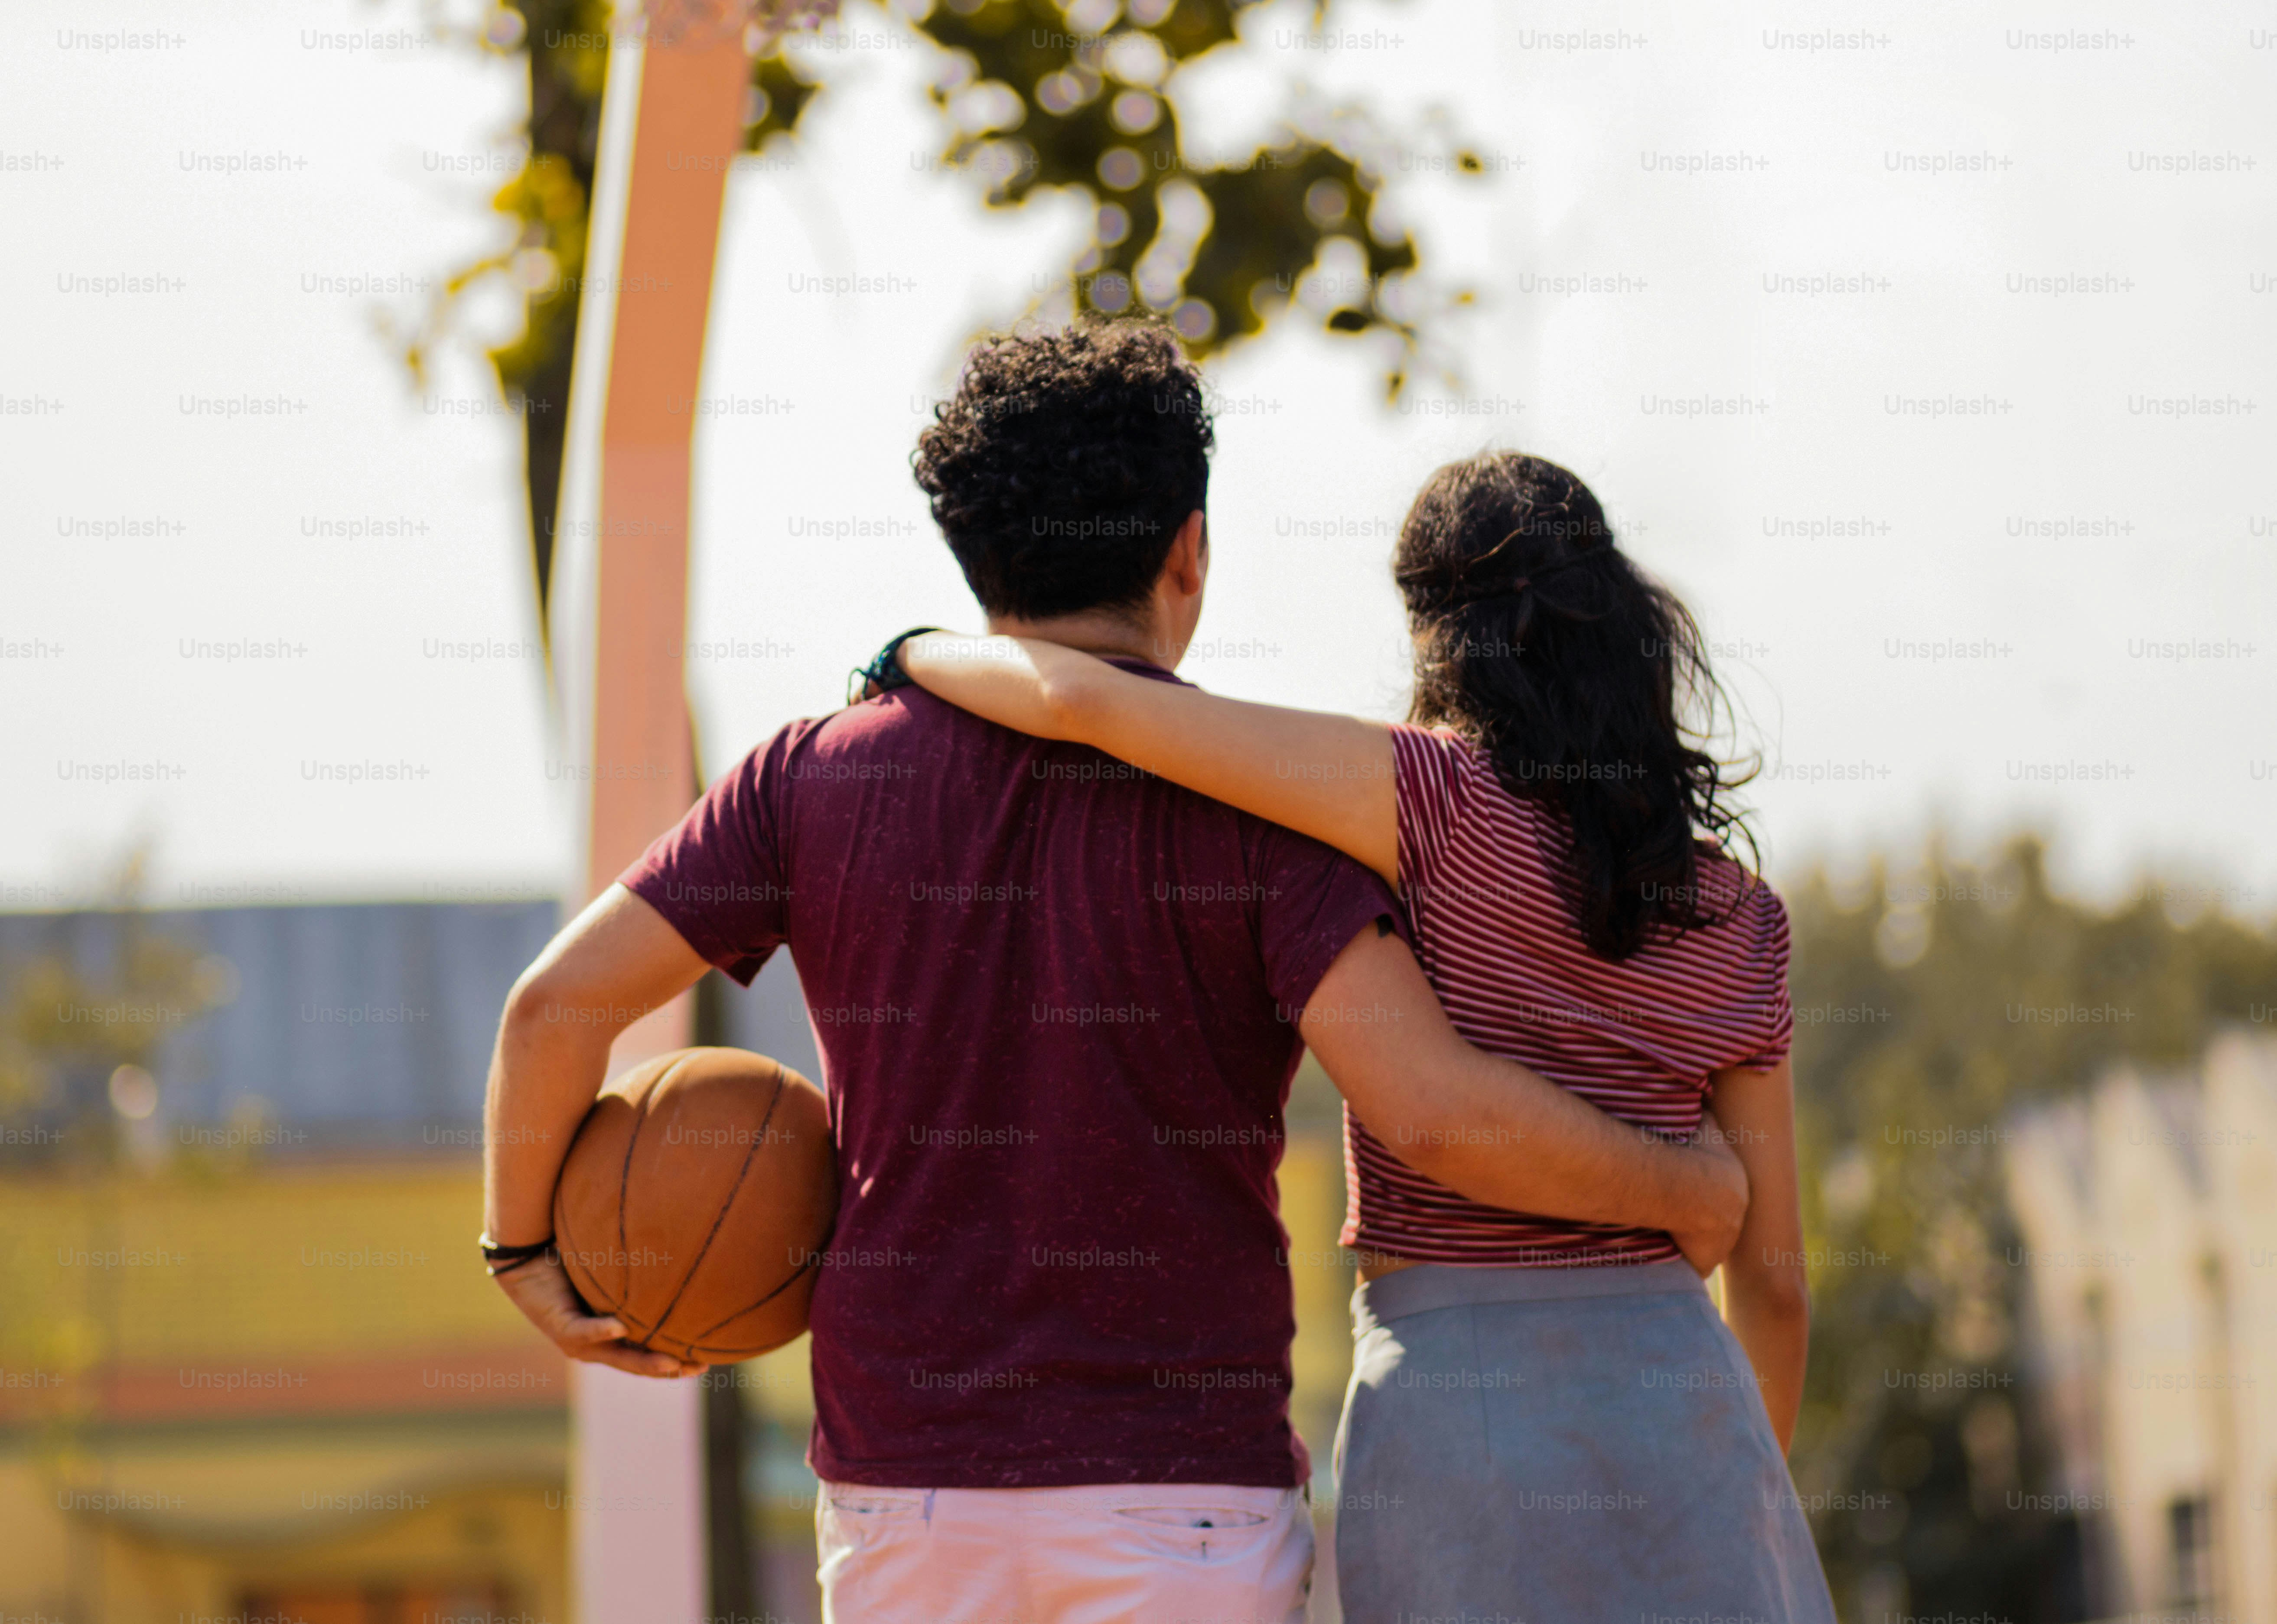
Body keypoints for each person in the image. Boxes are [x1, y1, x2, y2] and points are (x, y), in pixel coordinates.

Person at [481, 322, 1749, 1624]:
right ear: (1189, 552)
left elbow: (552, 1007)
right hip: (1184, 1505)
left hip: (903, 1501)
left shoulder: (803, 777)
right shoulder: (1269, 814)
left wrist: (522, 1245)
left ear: (970, 552)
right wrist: (1692, 1188)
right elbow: (1434, 1109)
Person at [891, 449, 1837, 1622]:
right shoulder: (1743, 917)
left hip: (1461, 1417)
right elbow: (1778, 1283)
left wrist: (917, 653)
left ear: (1433, 630)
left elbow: (1087, 703)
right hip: (1695, 1416)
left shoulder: (1422, 804)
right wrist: (1739, 1485)